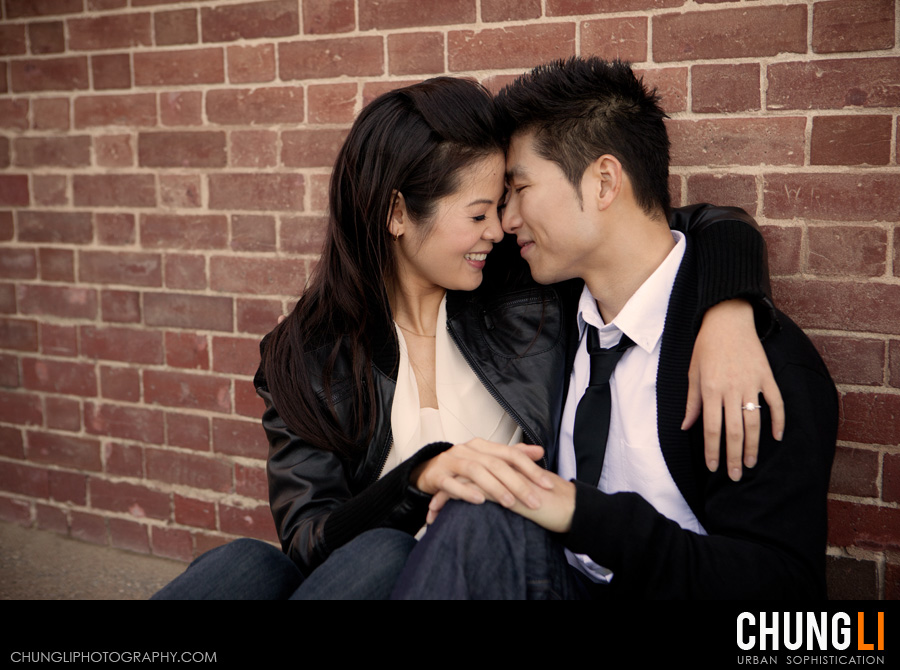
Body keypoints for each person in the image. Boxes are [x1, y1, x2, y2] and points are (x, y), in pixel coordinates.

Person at [153, 74, 780, 600]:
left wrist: (729, 309)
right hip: (358, 583)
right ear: (397, 214)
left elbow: (677, 228)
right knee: (248, 566)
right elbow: (310, 540)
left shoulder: (525, 295)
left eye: (504, 204)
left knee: (383, 554)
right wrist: (420, 478)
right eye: (478, 214)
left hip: (486, 574)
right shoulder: (309, 355)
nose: (501, 229)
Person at [392, 59, 837, 600]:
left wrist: (584, 515)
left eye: (520, 188)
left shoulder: (757, 369)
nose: (506, 222)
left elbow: (782, 595)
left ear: (604, 181)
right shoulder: (545, 312)